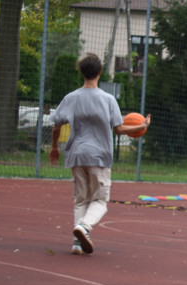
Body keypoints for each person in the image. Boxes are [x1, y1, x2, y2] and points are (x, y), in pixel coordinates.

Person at [48, 52, 150, 255]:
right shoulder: (108, 99)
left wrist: (54, 147)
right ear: (100, 72)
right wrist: (141, 125)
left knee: (81, 199)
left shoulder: (71, 98)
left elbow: (56, 125)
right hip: (99, 156)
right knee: (100, 200)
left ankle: (77, 243)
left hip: (76, 154)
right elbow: (119, 129)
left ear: (81, 72)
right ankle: (84, 227)